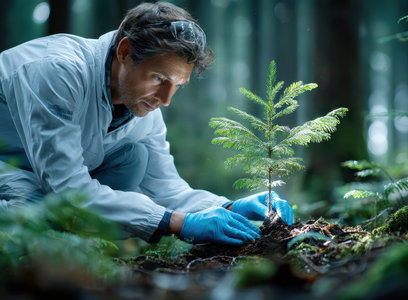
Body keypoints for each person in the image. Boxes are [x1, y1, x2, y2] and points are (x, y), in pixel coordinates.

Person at [0, 1, 293, 244]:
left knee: (134, 158)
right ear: (125, 52)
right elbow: (66, 187)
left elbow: (166, 187)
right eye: (159, 79)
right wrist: (175, 222)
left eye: (177, 85)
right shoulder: (56, 71)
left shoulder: (144, 108)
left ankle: (75, 244)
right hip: (9, 168)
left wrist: (227, 206)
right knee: (33, 206)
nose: (165, 99)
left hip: (39, 170)